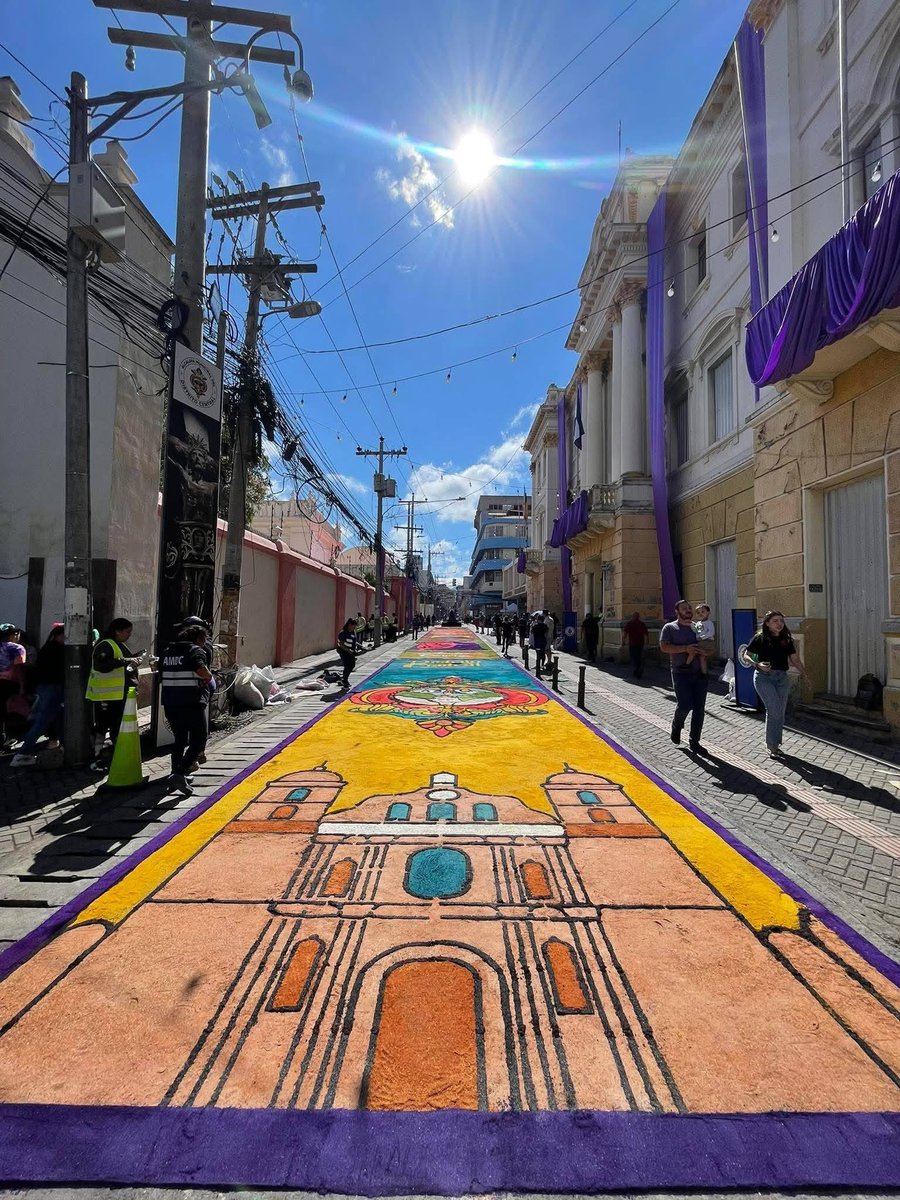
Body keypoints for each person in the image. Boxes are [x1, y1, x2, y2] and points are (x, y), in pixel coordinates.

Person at [743, 610, 809, 758]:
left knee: (779, 712)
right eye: (775, 621)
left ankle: (776, 744)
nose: (779, 624)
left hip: (781, 678)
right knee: (774, 710)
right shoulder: (759, 638)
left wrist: (805, 674)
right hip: (763, 677)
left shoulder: (786, 639)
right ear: (767, 623)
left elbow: (794, 659)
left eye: (781, 621)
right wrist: (757, 664)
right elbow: (746, 655)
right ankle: (772, 746)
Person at [159, 620, 213, 796]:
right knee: (199, 739)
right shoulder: (195, 651)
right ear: (198, 638)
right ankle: (179, 773)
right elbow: (201, 669)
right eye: (204, 639)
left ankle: (175, 773)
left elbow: (160, 674)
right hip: (191, 702)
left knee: (179, 739)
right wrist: (209, 676)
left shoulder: (167, 652)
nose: (205, 643)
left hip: (171, 703)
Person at [85, 618, 143, 763]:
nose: (130, 635)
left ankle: (114, 753)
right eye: (127, 631)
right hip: (107, 695)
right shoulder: (106, 644)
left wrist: (134, 659)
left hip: (116, 694)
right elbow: (103, 665)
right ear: (118, 631)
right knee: (103, 725)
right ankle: (97, 756)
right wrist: (126, 661)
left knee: (115, 725)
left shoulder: (117, 644)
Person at [659, 600, 711, 754]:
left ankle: (694, 742)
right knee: (685, 704)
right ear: (677, 611)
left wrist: (706, 652)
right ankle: (677, 725)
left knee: (699, 709)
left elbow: (709, 646)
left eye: (689, 608)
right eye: (684, 608)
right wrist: (685, 649)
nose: (688, 610)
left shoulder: (698, 627)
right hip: (680, 673)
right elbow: (664, 647)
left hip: (700, 673)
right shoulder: (670, 628)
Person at [11, 623, 65, 766]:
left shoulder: (48, 648)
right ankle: (22, 753)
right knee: (43, 720)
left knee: (56, 717)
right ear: (60, 636)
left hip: (45, 687)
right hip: (52, 687)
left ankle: (62, 746)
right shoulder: (56, 650)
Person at [0, 624, 26, 749]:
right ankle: (5, 738)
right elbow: (18, 667)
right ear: (13, 635)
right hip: (9, 683)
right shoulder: (17, 648)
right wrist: (21, 685)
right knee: (8, 711)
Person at [622, 611, 650, 679]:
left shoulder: (630, 623)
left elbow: (625, 633)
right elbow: (646, 634)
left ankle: (636, 669)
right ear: (638, 617)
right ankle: (638, 668)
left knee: (633, 657)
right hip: (640, 643)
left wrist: (623, 641)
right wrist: (647, 642)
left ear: (633, 616)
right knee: (639, 656)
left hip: (632, 643)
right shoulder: (641, 624)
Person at [690, 603, 716, 675]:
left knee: (694, 651)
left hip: (707, 641)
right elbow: (696, 631)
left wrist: (701, 637)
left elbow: (711, 633)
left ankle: (687, 665)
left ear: (708, 612)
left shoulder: (709, 623)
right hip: (700, 641)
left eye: (703, 612)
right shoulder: (698, 623)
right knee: (701, 657)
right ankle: (703, 672)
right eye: (698, 613)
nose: (700, 614)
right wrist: (691, 624)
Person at [336, 618, 361, 690]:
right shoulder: (343, 633)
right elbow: (341, 644)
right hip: (343, 651)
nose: (354, 628)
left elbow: (353, 642)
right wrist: (349, 651)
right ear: (349, 625)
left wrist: (357, 648)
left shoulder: (353, 632)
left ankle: (345, 679)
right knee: (347, 666)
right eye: (353, 626)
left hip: (351, 652)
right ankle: (344, 682)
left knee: (352, 665)